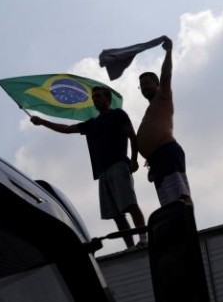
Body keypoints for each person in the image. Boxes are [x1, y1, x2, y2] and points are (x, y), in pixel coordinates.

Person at [31, 85, 147, 249]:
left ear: (108, 99)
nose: (96, 99)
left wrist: (134, 159)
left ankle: (143, 239)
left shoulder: (118, 114)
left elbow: (132, 137)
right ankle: (130, 246)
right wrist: (42, 122)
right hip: (102, 171)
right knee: (116, 214)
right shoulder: (92, 123)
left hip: (119, 165)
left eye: (99, 96)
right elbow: (67, 129)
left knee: (129, 204)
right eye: (94, 97)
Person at [137, 35, 192, 206]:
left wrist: (168, 51)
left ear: (158, 84)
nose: (144, 87)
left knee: (180, 198)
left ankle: (187, 227)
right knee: (169, 204)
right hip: (156, 160)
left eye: (147, 83)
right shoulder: (150, 109)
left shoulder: (163, 96)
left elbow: (166, 74)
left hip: (167, 152)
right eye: (142, 85)